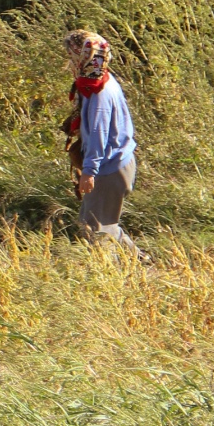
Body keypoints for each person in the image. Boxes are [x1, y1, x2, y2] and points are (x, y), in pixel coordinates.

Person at [63, 30, 145, 258]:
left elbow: (99, 134)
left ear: (83, 57)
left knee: (95, 228)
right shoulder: (100, 80)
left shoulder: (99, 93)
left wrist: (89, 172)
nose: (69, 59)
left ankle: (110, 278)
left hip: (109, 167)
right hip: (116, 164)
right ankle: (140, 261)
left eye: (71, 54)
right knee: (105, 223)